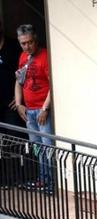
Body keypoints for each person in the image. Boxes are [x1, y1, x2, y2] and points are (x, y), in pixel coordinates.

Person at [14, 24, 53, 194]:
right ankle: (42, 180)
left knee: (48, 148)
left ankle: (51, 183)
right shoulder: (23, 57)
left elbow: (53, 85)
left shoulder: (45, 56)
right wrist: (18, 103)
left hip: (42, 110)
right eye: (23, 43)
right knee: (37, 149)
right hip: (29, 110)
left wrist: (45, 108)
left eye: (29, 42)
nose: (27, 46)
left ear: (35, 40)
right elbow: (18, 81)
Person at [0, 18, 25, 189]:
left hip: (10, 105)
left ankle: (17, 178)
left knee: (14, 140)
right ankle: (3, 180)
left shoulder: (12, 46)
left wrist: (17, 99)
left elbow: (22, 73)